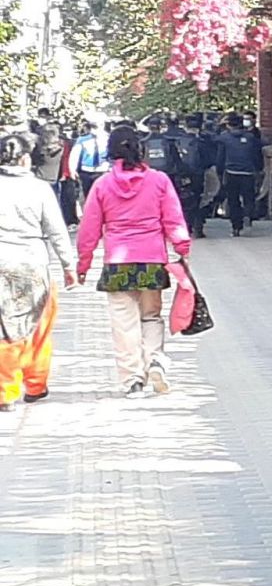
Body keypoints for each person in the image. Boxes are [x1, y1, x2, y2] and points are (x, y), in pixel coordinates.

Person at [75, 127, 191, 397]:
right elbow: (173, 219)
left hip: (117, 263)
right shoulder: (159, 181)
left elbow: (89, 228)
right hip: (152, 260)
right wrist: (182, 248)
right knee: (151, 316)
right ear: (141, 149)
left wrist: (83, 264)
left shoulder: (102, 185)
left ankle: (132, 380)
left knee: (124, 322)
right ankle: (155, 360)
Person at [0, 131, 75, 409]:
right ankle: (36, 385)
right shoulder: (40, 188)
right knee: (38, 325)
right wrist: (69, 266)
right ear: (24, 159)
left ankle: (5, 391)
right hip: (32, 265)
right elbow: (57, 231)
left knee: (4, 328)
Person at [215, 112, 265, 236]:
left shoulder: (224, 138)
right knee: (249, 198)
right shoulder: (250, 138)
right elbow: (257, 155)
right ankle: (247, 215)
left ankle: (236, 227)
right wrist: (259, 169)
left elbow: (220, 157)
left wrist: (219, 171)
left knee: (233, 200)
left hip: (231, 173)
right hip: (248, 172)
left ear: (228, 125)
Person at [70, 120, 110, 200]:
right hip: (86, 171)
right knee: (88, 195)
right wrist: (72, 169)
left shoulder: (108, 138)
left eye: (95, 127)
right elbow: (74, 155)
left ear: (102, 126)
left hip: (103, 170)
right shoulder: (82, 139)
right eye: (91, 127)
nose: (93, 130)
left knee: (103, 195)